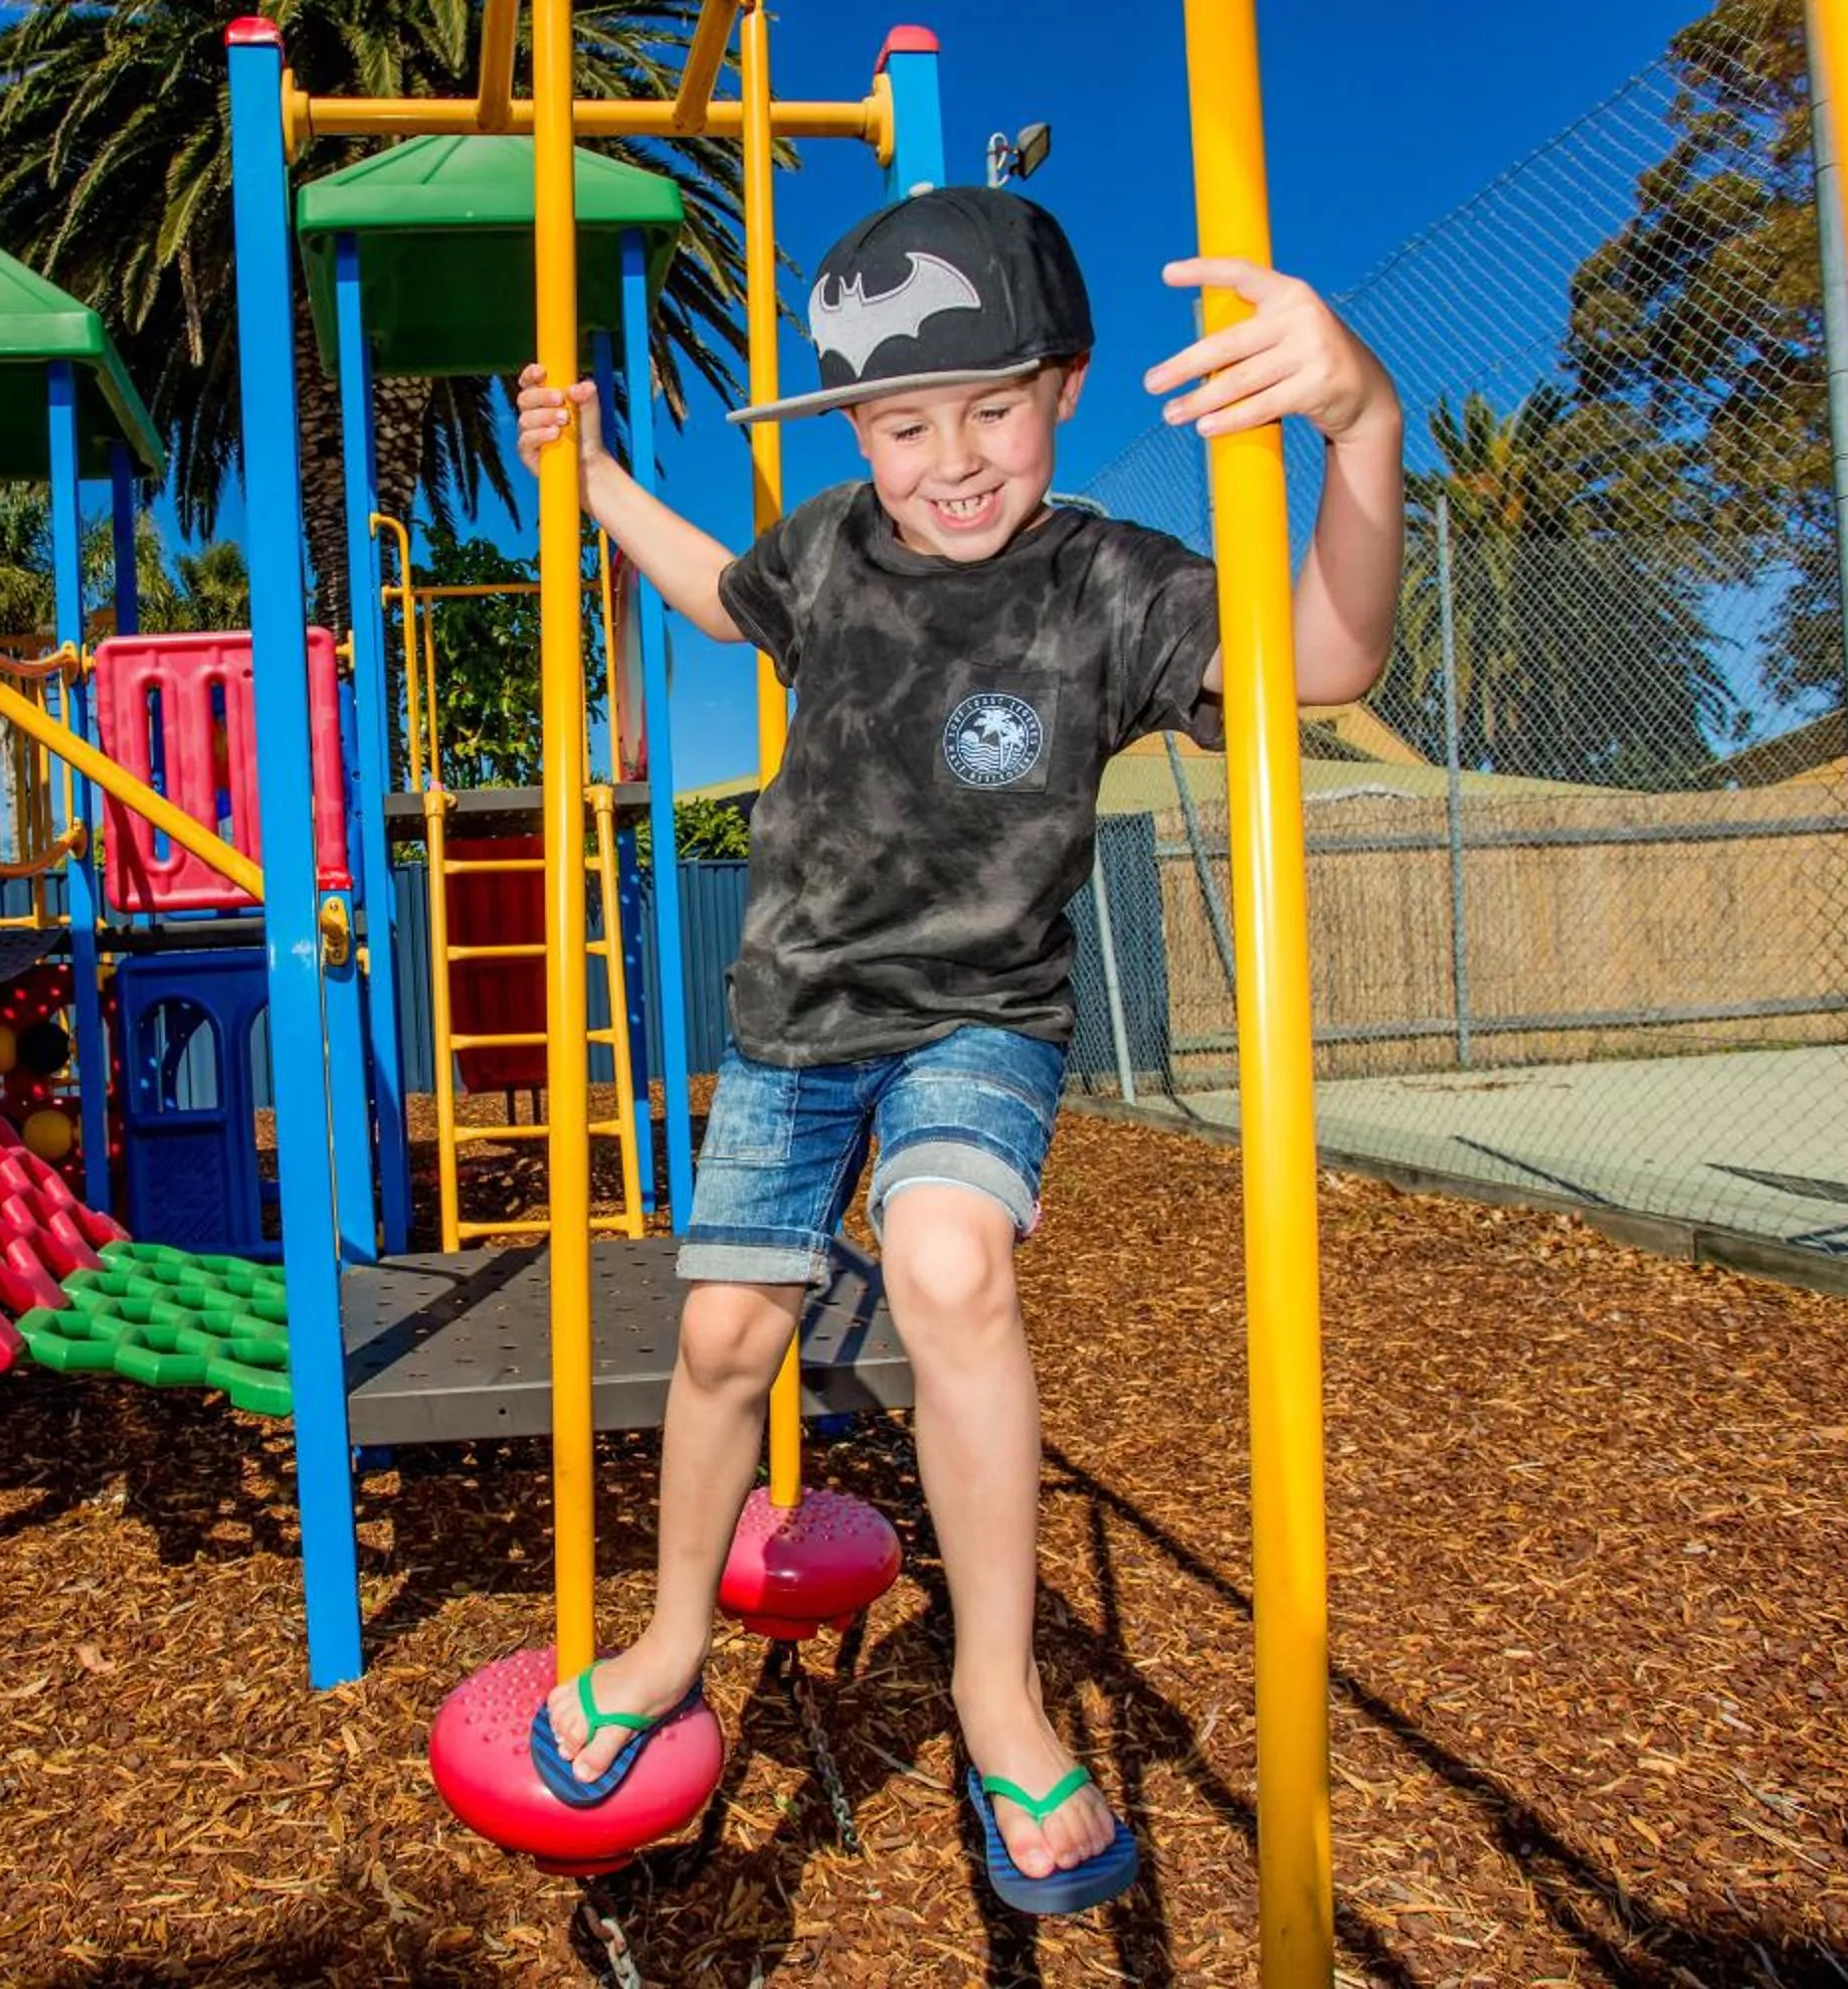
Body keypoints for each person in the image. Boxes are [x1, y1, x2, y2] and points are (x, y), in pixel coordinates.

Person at [512, 185, 1401, 1914]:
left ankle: (996, 1688)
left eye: (993, 405)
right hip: (795, 1013)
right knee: (718, 1337)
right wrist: (599, 480)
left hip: (980, 1017)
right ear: (855, 429)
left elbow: (1328, 653)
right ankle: (669, 1633)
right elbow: (719, 597)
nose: (953, 457)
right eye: (906, 423)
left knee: (946, 1266)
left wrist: (1359, 423)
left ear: (1065, 386)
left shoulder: (1107, 588)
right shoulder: (832, 544)